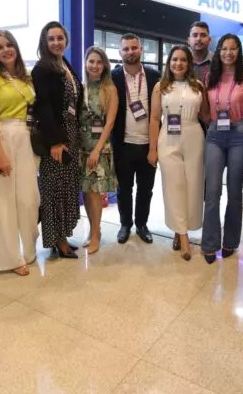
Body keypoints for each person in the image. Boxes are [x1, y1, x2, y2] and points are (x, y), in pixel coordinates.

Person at [0, 30, 40, 273]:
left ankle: (29, 250)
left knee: (28, 199)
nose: (5, 50)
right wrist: (0, 153)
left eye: (9, 44)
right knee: (2, 201)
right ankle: (9, 259)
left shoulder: (27, 77)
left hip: (25, 138)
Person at [148, 45, 208, 261]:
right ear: (169, 62)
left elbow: (206, 115)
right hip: (168, 138)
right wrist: (152, 149)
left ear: (189, 63)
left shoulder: (198, 86)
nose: (178, 63)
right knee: (174, 186)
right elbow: (155, 118)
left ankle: (179, 229)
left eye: (183, 60)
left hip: (194, 136)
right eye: (174, 59)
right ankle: (183, 238)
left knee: (193, 186)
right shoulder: (160, 86)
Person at [201, 33, 243, 264]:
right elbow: (205, 105)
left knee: (234, 192)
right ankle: (209, 243)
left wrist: (236, 112)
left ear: (239, 51)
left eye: (233, 48)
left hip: (239, 134)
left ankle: (230, 242)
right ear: (219, 51)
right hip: (214, 134)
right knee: (212, 191)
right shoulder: (210, 76)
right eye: (224, 48)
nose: (228, 53)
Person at [32, 22, 82, 259]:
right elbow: (44, 107)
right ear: (44, 41)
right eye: (51, 39)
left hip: (71, 135)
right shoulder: (42, 69)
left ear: (66, 40)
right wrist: (55, 142)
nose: (56, 43)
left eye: (60, 38)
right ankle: (57, 241)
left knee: (67, 187)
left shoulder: (64, 64)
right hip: (57, 138)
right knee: (54, 190)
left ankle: (63, 235)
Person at [111, 33, 161, 245]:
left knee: (146, 190)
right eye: (126, 49)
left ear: (140, 49)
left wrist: (155, 146)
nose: (130, 52)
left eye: (134, 48)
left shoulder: (154, 75)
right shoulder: (113, 77)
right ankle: (125, 224)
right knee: (124, 189)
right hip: (123, 144)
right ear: (120, 52)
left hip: (149, 144)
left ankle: (141, 224)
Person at [80, 46, 118, 255]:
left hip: (99, 148)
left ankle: (96, 235)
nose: (94, 66)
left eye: (99, 62)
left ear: (104, 65)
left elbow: (109, 123)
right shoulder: (81, 87)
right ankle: (94, 229)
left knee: (95, 192)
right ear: (86, 63)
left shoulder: (109, 89)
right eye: (91, 61)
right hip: (81, 148)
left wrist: (96, 150)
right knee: (86, 191)